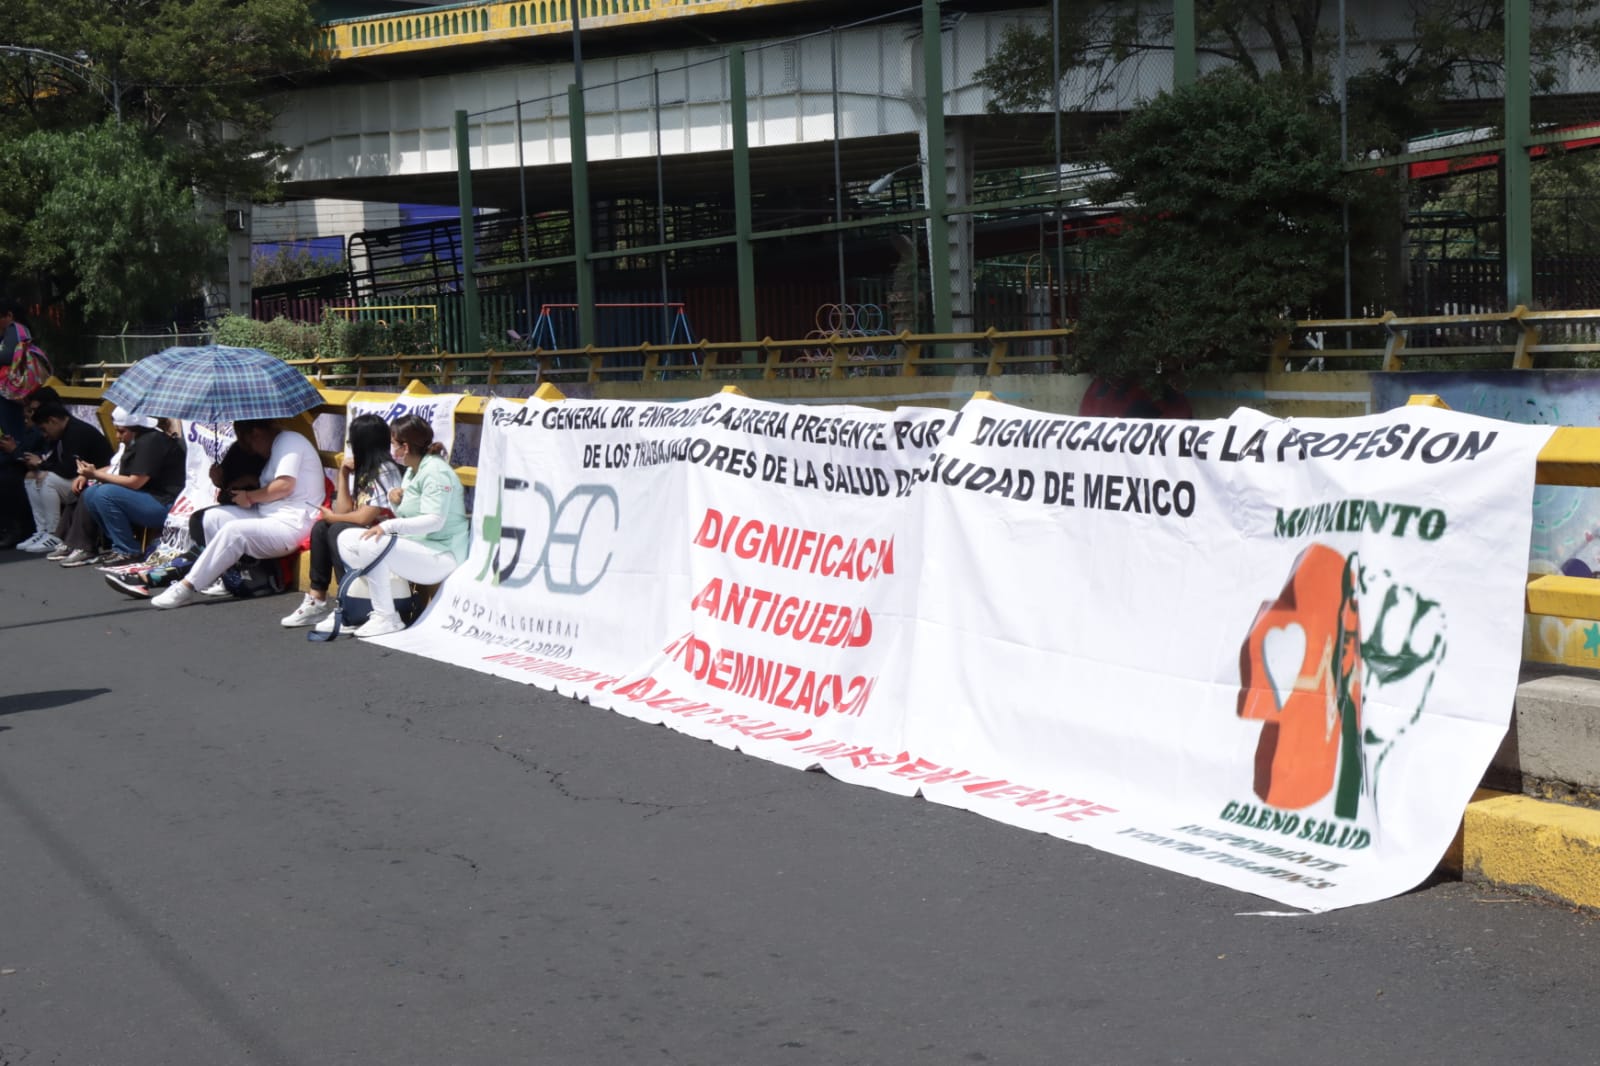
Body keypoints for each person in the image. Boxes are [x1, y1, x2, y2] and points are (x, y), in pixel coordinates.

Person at [317, 413, 467, 638]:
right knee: (345, 539)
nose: (391, 450)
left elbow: (435, 521)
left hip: (442, 553)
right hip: (418, 547)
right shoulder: (413, 471)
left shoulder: (436, 472)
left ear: (405, 447)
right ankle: (354, 608)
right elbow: (410, 515)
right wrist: (396, 503)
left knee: (373, 543)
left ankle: (387, 616)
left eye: (393, 444)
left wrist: (388, 526)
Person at [151, 419, 324, 609]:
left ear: (256, 433)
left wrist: (249, 497)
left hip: (291, 524)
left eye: (248, 443)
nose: (253, 451)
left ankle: (186, 587)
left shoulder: (289, 441)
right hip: (267, 515)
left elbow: (284, 486)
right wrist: (230, 481)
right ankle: (223, 579)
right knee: (211, 518)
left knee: (234, 531)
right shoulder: (277, 445)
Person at [280, 413, 402, 628]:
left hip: (386, 535)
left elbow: (365, 516)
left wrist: (334, 517)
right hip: (368, 532)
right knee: (321, 527)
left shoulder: (386, 471)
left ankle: (346, 601)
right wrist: (343, 474)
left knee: (336, 529)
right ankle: (317, 600)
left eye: (352, 442)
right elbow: (346, 509)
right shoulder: (364, 469)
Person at [65, 407, 186, 568]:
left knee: (105, 493)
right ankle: (118, 544)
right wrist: (88, 474)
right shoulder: (137, 441)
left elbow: (135, 482)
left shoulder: (151, 441)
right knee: (91, 493)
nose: (118, 436)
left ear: (135, 430)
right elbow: (117, 470)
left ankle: (128, 550)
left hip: (166, 504)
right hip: (148, 497)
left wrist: (95, 475)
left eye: (121, 432)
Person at [17, 401, 113, 554]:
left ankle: (54, 533)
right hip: (78, 479)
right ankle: (42, 530)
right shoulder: (63, 434)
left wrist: (41, 464)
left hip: (97, 479)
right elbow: (56, 461)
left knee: (47, 479)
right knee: (31, 476)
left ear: (53, 421)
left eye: (44, 429)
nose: (44, 434)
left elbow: (69, 469)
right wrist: (39, 465)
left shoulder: (77, 432)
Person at [0, 384, 62, 548]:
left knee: (11, 478)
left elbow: (44, 454)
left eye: (33, 411)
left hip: (54, 471)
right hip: (35, 466)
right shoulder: (35, 428)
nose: (29, 416)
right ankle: (40, 530)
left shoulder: (53, 428)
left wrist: (16, 451)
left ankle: (49, 532)